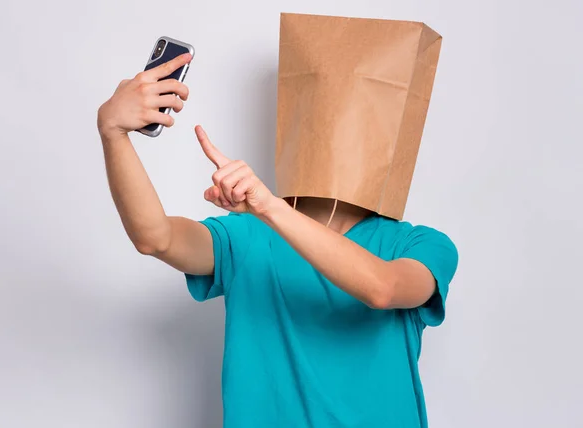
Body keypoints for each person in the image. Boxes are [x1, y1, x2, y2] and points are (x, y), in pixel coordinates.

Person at [97, 53, 459, 428]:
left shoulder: (422, 245)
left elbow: (382, 288)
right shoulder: (248, 236)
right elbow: (155, 238)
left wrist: (270, 207)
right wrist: (113, 132)